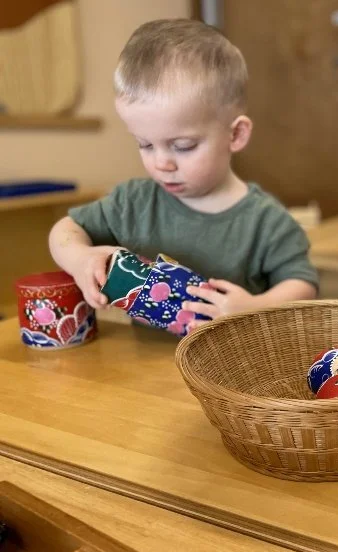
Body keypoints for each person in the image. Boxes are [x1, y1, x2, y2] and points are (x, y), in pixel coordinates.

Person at [48, 19, 318, 331]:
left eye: (183, 146)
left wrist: (255, 307)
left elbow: (303, 284)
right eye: (145, 144)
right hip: (141, 368)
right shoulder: (133, 202)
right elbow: (65, 230)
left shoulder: (267, 222)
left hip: (227, 365)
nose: (162, 163)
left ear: (236, 135)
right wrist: (80, 258)